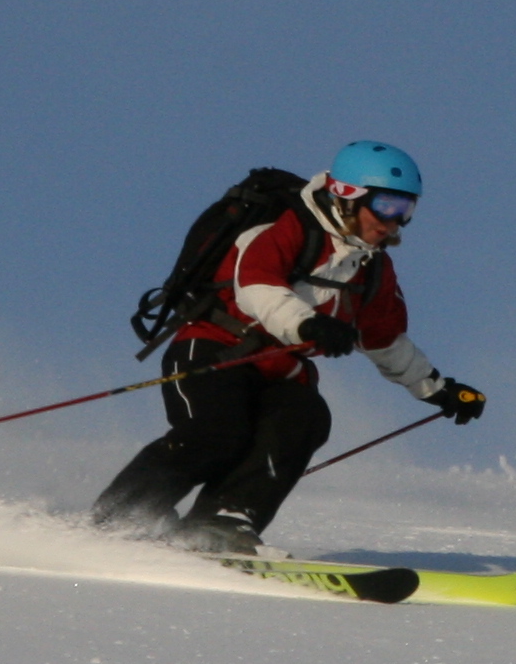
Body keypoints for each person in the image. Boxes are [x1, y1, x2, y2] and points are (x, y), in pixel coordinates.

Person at [91, 141, 487, 552]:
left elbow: (384, 339)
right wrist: (308, 322)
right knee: (216, 434)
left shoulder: (372, 269)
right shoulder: (287, 228)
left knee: (305, 417)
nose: (395, 221)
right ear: (347, 196)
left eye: (407, 209)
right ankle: (120, 517)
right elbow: (256, 287)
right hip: (216, 348)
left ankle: (223, 522)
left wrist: (437, 388)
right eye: (387, 205)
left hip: (281, 367)